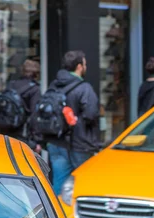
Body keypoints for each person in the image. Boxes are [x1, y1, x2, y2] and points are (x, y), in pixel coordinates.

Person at [46, 51, 100, 194]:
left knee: (59, 184)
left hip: (55, 142)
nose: (85, 67)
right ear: (79, 67)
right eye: (85, 64)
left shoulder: (54, 85)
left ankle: (59, 215)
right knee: (83, 185)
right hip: (78, 144)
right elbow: (91, 114)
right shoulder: (84, 88)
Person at [6, 59, 41, 148]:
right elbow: (34, 115)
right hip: (23, 134)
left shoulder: (11, 85)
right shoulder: (34, 89)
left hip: (7, 132)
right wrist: (37, 140)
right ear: (36, 73)